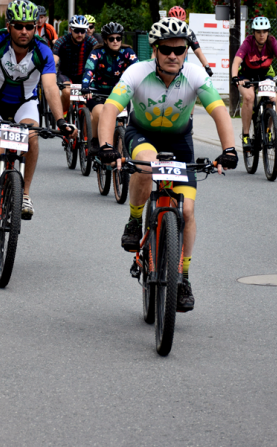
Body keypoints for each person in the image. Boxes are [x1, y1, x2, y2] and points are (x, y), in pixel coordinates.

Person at [96, 17, 238, 312]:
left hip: (179, 142)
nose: (174, 55)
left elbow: (220, 111)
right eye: (167, 50)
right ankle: (135, 220)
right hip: (142, 134)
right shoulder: (137, 71)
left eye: (180, 49)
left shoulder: (196, 75)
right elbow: (111, 108)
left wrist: (229, 149)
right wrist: (107, 146)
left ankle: (182, 277)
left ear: (186, 50)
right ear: (155, 50)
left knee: (186, 210)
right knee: (146, 165)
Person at [0, 0, 75, 230]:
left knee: (32, 137)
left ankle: (25, 193)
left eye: (29, 26)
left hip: (25, 104)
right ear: (9, 26)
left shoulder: (43, 50)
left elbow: (49, 88)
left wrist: (60, 120)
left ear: (35, 27)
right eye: (19, 26)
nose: (24, 31)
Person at [231, 16, 277, 143]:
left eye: (264, 31)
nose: (262, 35)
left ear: (268, 32)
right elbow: (236, 61)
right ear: (253, 33)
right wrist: (235, 77)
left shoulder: (272, 42)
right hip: (246, 75)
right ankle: (245, 135)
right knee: (249, 97)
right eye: (258, 32)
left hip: (265, 74)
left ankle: (268, 131)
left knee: (272, 99)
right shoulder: (248, 43)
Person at [81, 22, 138, 153]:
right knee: (100, 114)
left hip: (119, 94)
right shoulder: (97, 52)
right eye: (111, 39)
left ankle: (117, 156)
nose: (115, 41)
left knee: (120, 124)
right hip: (97, 92)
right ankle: (95, 140)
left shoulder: (128, 52)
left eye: (118, 38)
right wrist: (85, 86)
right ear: (105, 40)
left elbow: (137, 70)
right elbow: (89, 70)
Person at [53, 15, 100, 116]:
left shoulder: (91, 41)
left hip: (83, 75)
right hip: (65, 74)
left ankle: (84, 122)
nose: (80, 34)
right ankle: (63, 116)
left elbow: (100, 58)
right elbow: (54, 59)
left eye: (83, 31)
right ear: (70, 29)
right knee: (66, 92)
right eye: (77, 30)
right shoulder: (61, 41)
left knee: (88, 101)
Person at [168, 6, 213, 77]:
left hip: (181, 66)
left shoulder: (188, 32)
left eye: (180, 23)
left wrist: (207, 66)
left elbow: (198, 51)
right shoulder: (164, 32)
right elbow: (155, 52)